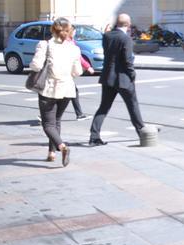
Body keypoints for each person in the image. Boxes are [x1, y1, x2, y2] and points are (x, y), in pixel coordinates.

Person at [31, 18, 83, 165]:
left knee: (48, 124)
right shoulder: (74, 49)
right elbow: (78, 71)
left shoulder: (45, 45)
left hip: (49, 89)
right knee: (57, 121)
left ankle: (62, 147)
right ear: (68, 31)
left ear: (53, 30)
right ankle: (51, 153)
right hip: (67, 89)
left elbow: (36, 65)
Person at [89, 13, 146, 146]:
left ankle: (94, 136)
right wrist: (132, 74)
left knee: (103, 107)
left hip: (108, 77)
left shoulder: (106, 36)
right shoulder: (125, 39)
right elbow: (127, 60)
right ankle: (142, 134)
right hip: (123, 78)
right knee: (133, 106)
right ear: (128, 24)